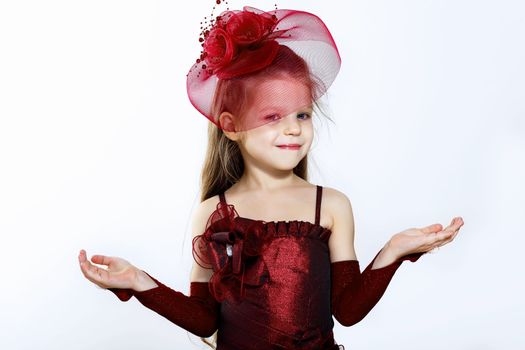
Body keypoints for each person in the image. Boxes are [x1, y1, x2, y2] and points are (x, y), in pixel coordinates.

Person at [78, 3, 464, 349]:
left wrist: (394, 251)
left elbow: (346, 311)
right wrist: (138, 282)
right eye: (272, 116)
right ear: (231, 126)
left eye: (302, 114)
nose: (294, 129)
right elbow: (204, 318)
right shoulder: (214, 212)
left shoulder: (329, 205)